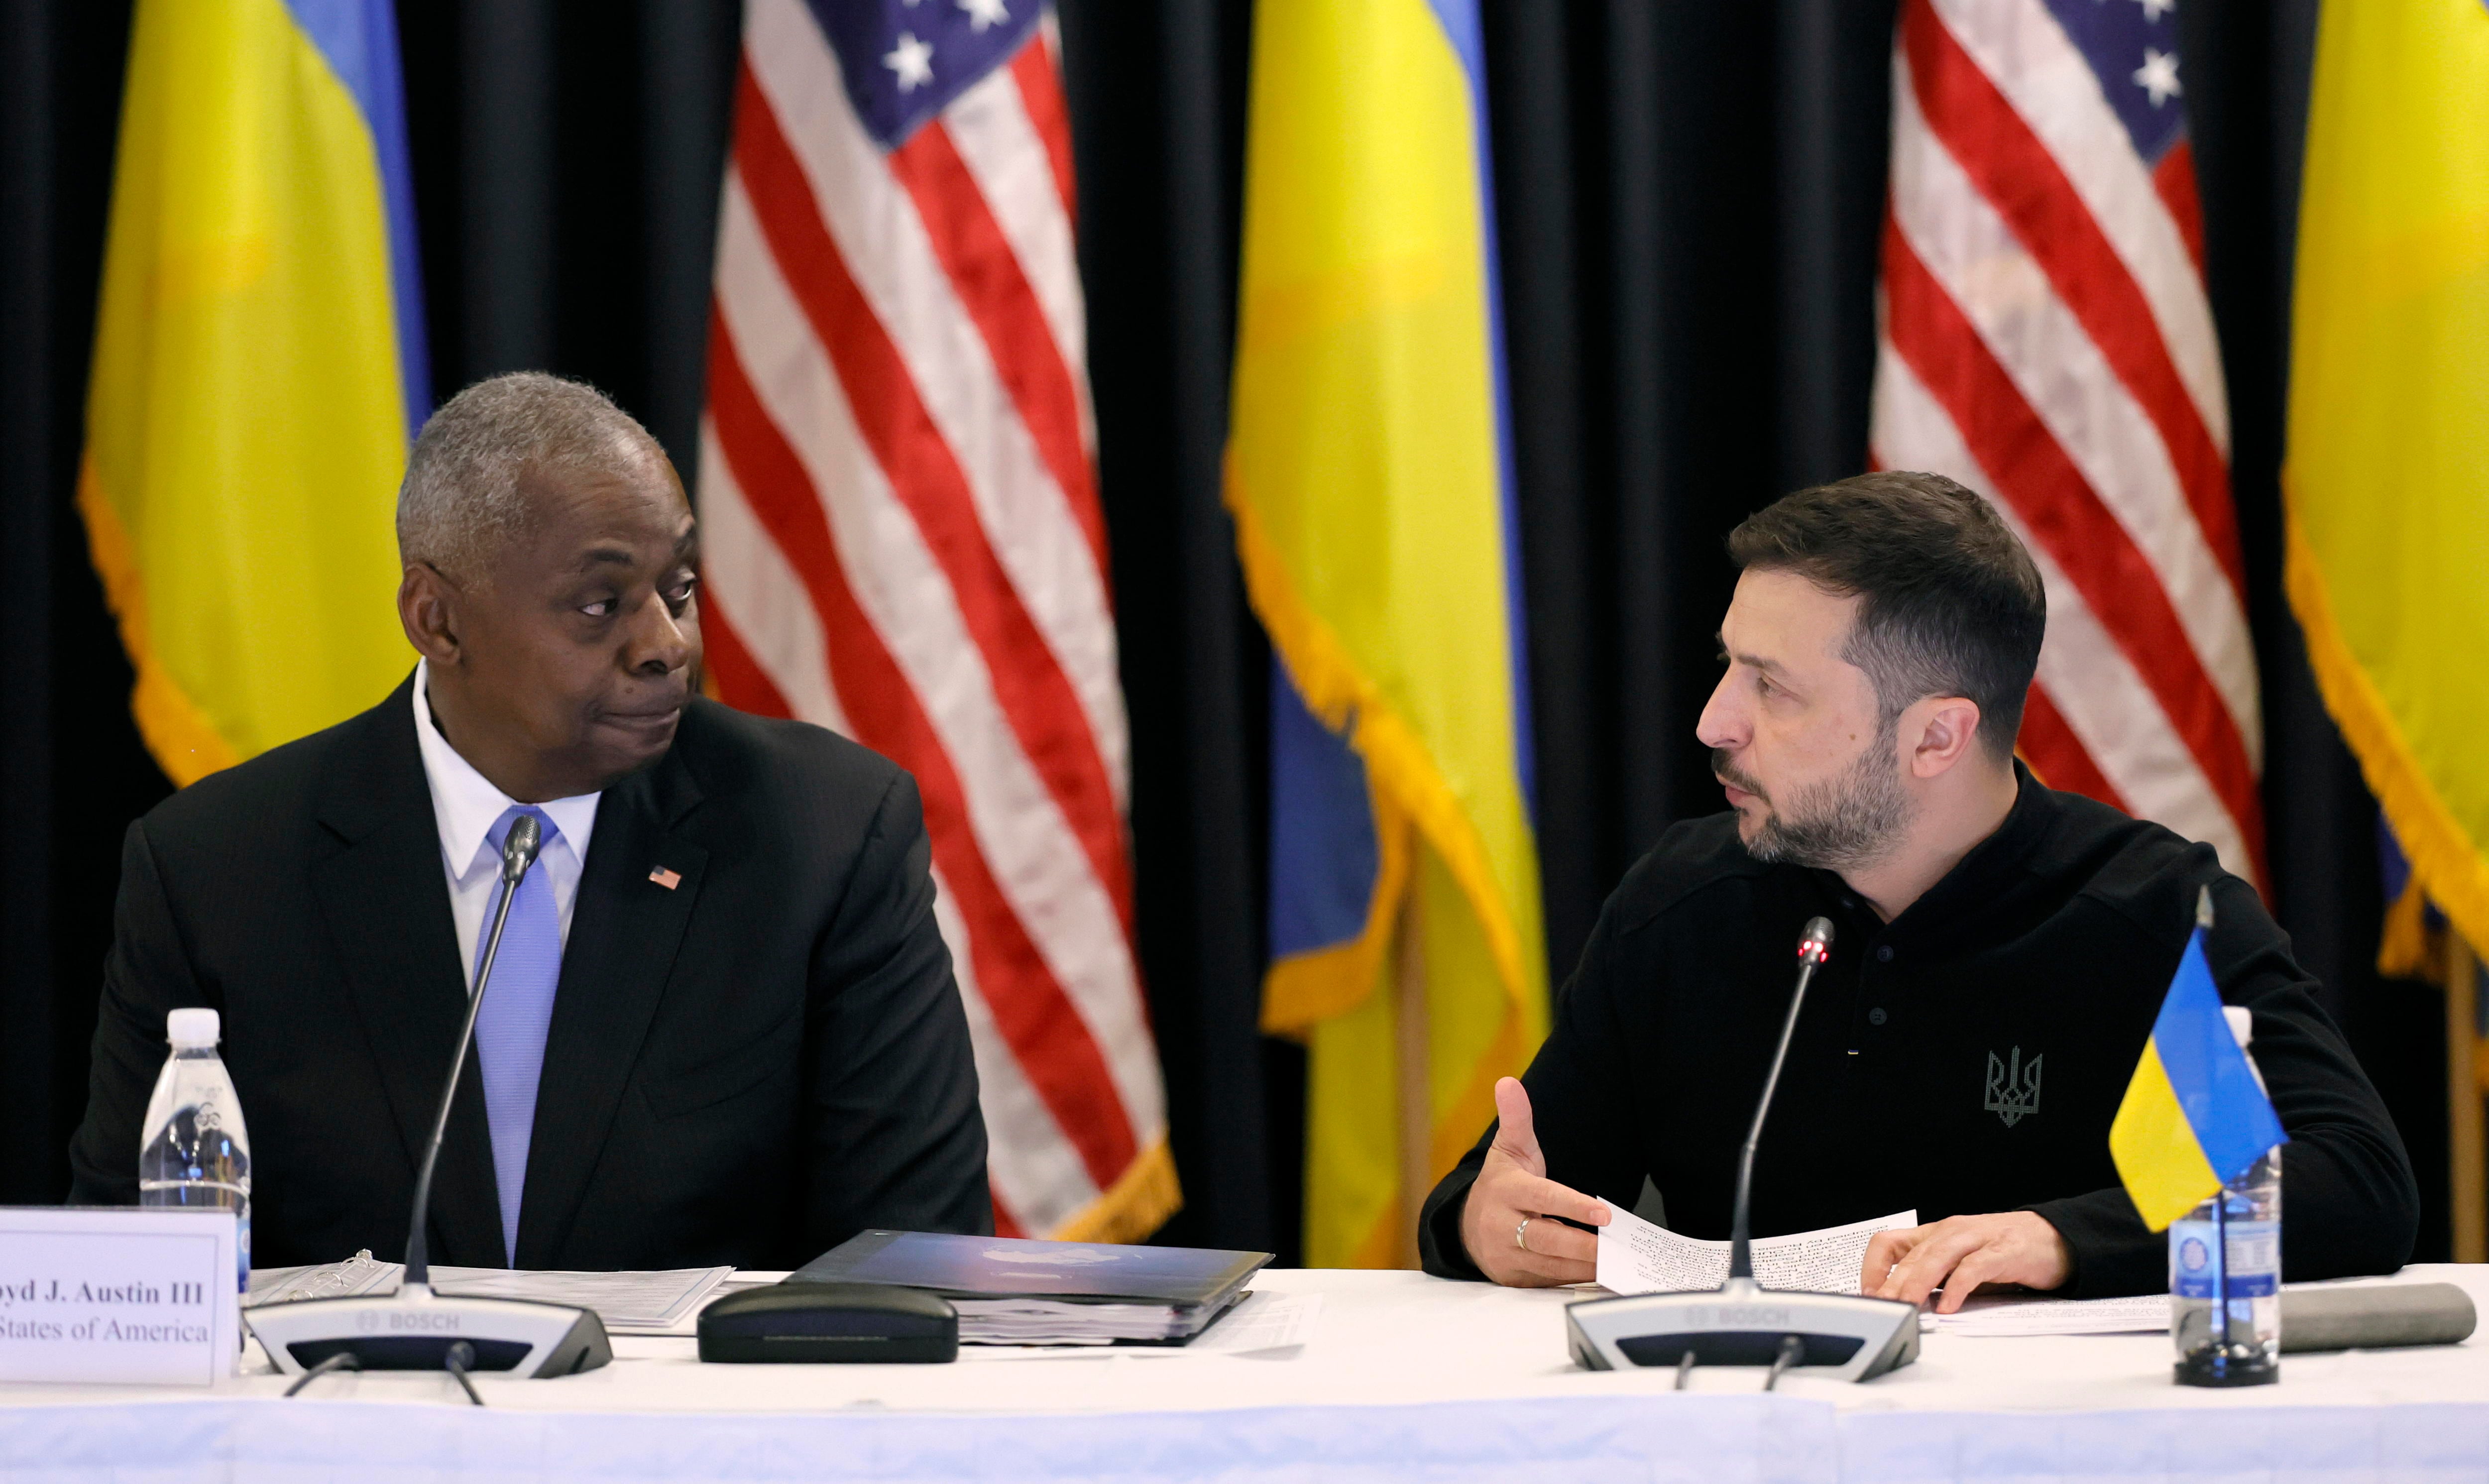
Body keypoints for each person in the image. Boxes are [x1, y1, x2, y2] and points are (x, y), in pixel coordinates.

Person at [1418, 471, 2417, 1307]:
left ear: (1935, 735)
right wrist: (1473, 1220)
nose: (1715, 721)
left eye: (1772, 687)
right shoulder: (1684, 901)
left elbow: (2353, 1181)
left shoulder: (2145, 914)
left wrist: (2062, 1240)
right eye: (1729, 668)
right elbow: (1519, 1192)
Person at [69, 372, 991, 1272]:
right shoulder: (216, 868)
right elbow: (131, 1287)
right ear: (438, 621)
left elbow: (913, 1261)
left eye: (678, 587)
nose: (667, 646)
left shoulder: (825, 835)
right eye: (601, 606)